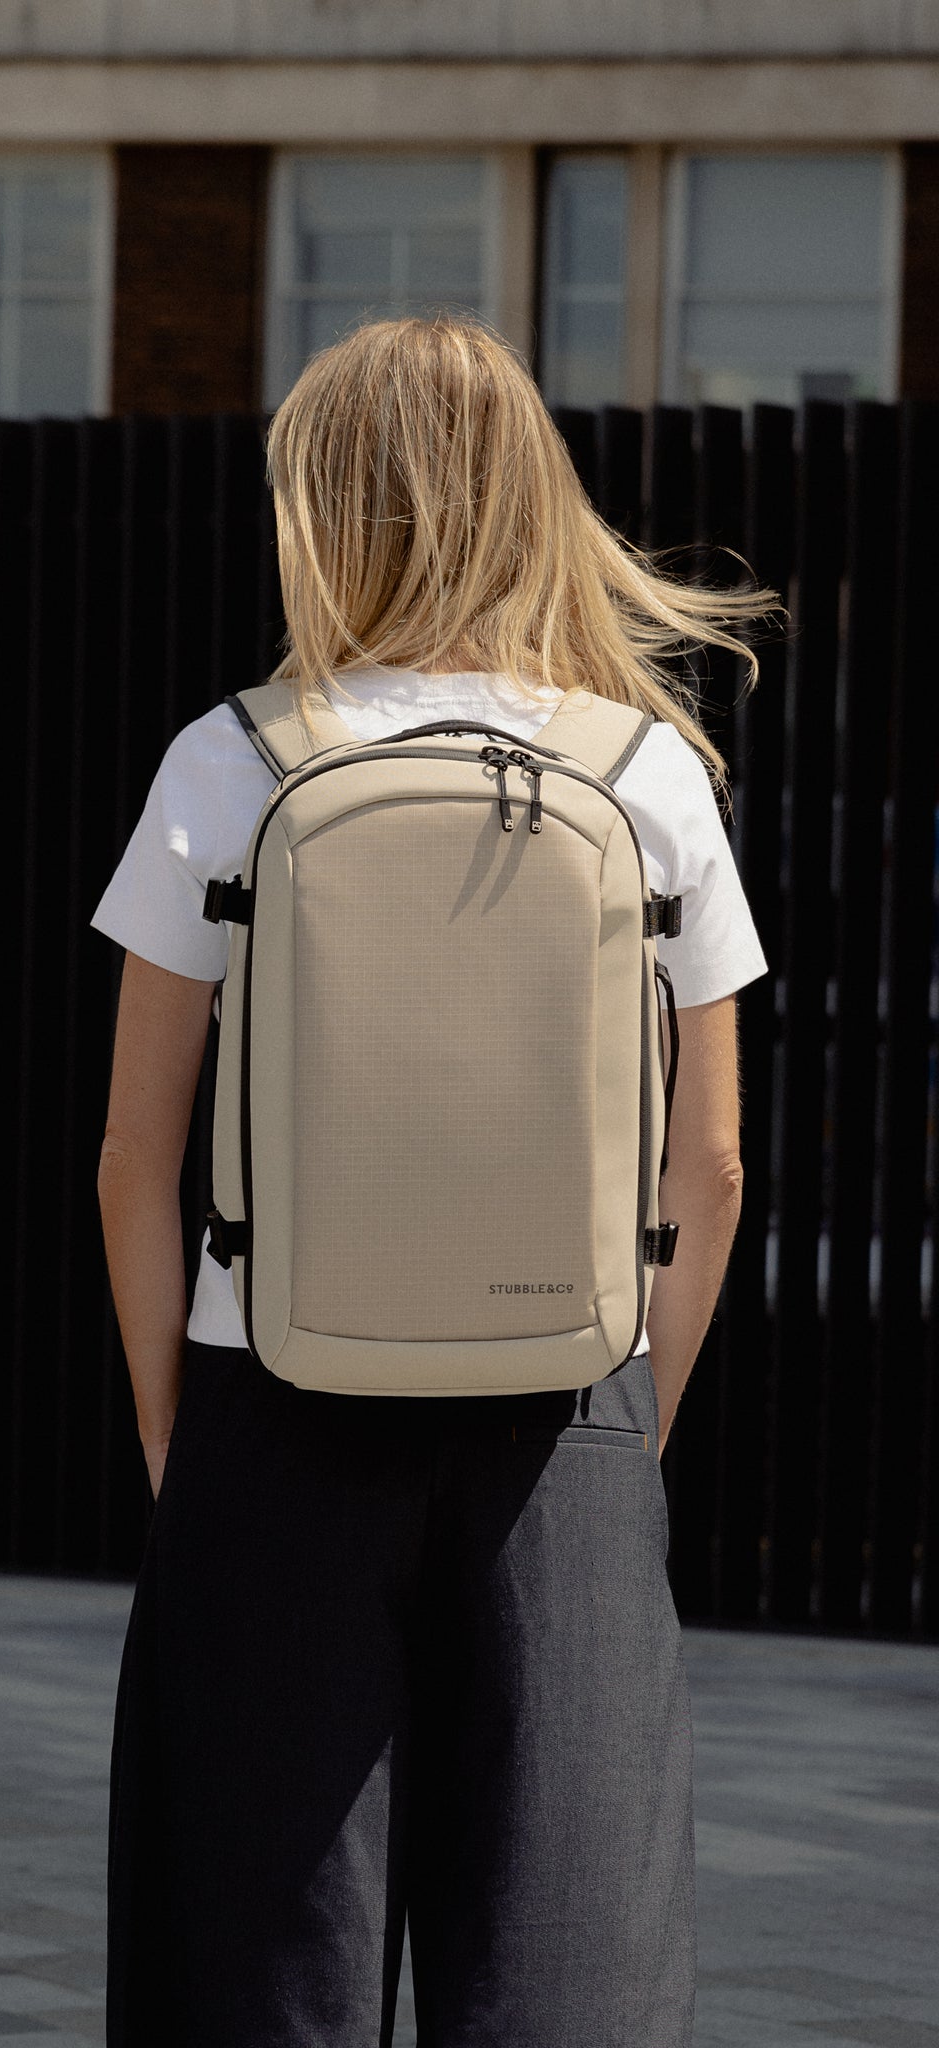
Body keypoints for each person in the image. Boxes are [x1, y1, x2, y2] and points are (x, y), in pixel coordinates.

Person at [94, 314, 769, 2046]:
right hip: (565, 1417)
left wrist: (189, 1446)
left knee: (254, 1971)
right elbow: (712, 1163)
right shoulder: (651, 777)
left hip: (275, 1408)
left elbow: (132, 1161)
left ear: (321, 509)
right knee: (566, 1985)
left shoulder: (229, 761)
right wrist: (631, 1429)